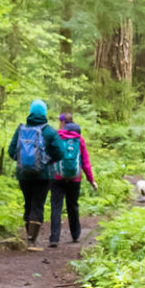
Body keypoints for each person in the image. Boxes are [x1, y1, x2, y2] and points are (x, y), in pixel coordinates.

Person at [7, 100, 64, 248]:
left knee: (28, 203)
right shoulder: (50, 131)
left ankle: (28, 235)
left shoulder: (21, 130)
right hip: (44, 175)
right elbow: (60, 153)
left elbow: (11, 151)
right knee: (38, 204)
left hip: (24, 174)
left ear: (31, 112)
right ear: (44, 112)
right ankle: (32, 239)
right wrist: (48, 161)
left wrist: (22, 161)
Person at [49, 111, 98, 247]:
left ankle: (54, 238)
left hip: (57, 177)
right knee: (73, 206)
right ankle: (75, 235)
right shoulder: (79, 139)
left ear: (64, 122)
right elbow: (85, 162)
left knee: (56, 207)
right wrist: (91, 180)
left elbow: (50, 156)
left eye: (60, 121)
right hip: (75, 178)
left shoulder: (57, 137)